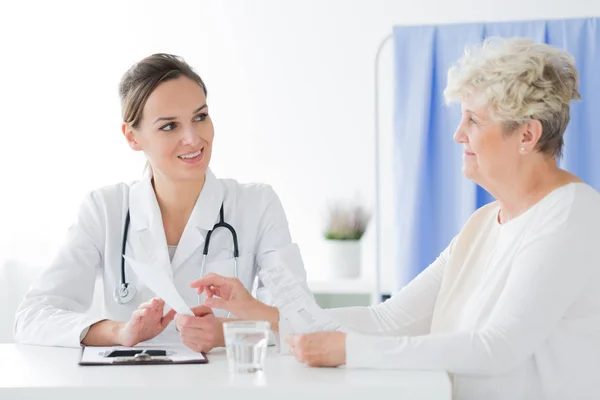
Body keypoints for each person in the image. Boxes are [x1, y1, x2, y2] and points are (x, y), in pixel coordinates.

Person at [191, 38, 600, 399]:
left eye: (473, 120)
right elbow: (387, 320)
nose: (459, 134)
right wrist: (261, 313)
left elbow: (497, 347)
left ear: (527, 136)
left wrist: (349, 351)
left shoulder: (571, 217)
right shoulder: (484, 223)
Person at [13, 53, 309, 352]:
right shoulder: (105, 209)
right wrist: (121, 332)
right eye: (169, 126)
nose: (193, 139)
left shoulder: (256, 204)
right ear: (132, 137)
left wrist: (229, 333)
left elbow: (303, 322)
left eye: (200, 117)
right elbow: (32, 318)